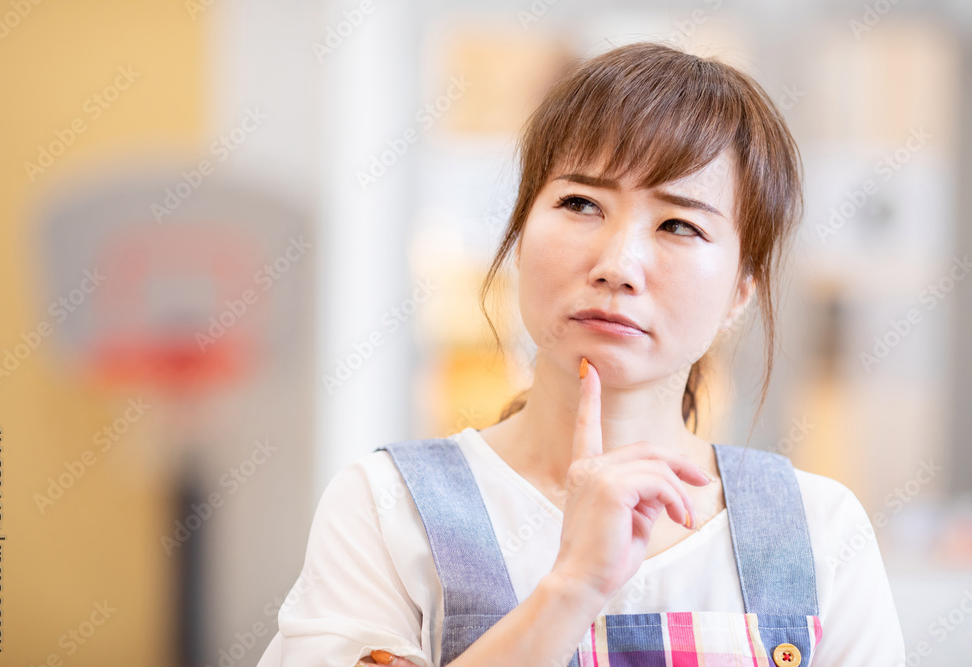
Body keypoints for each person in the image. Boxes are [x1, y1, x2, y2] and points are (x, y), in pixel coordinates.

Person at [257, 41, 906, 666]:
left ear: (741, 289)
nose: (618, 264)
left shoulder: (820, 531)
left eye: (679, 223)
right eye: (580, 203)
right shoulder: (386, 507)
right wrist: (569, 589)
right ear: (517, 236)